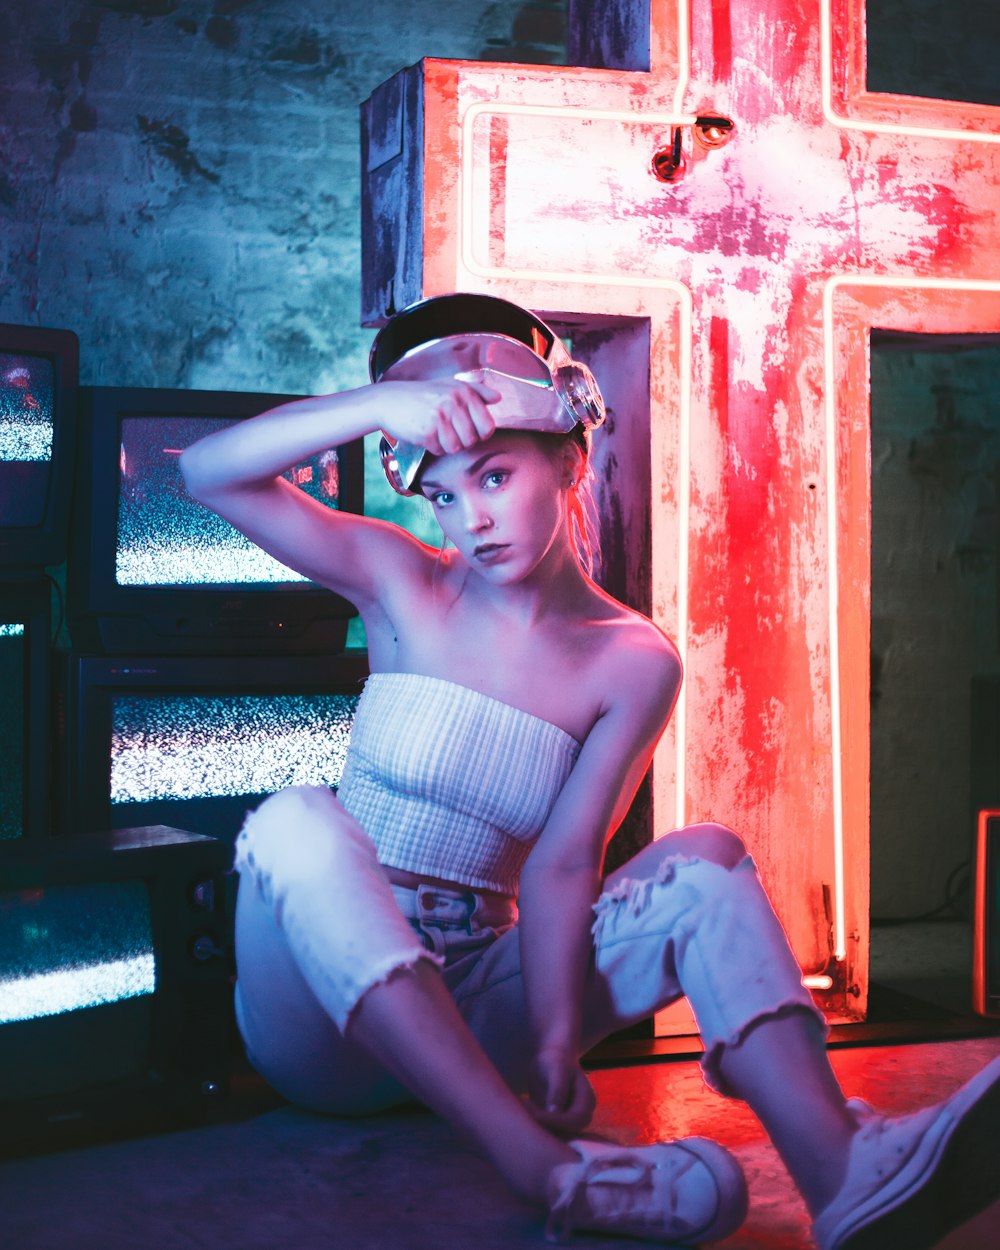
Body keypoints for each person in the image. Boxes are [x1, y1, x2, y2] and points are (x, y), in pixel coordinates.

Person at [180, 293, 1000, 1248]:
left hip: (478, 1000)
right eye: (444, 494)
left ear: (568, 464)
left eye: (493, 477)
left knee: (707, 859)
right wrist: (376, 412)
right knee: (294, 820)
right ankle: (541, 1167)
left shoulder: (633, 660)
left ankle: (841, 1166)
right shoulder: (402, 581)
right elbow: (208, 473)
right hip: (319, 1024)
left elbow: (565, 864)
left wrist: (560, 1037)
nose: (471, 521)